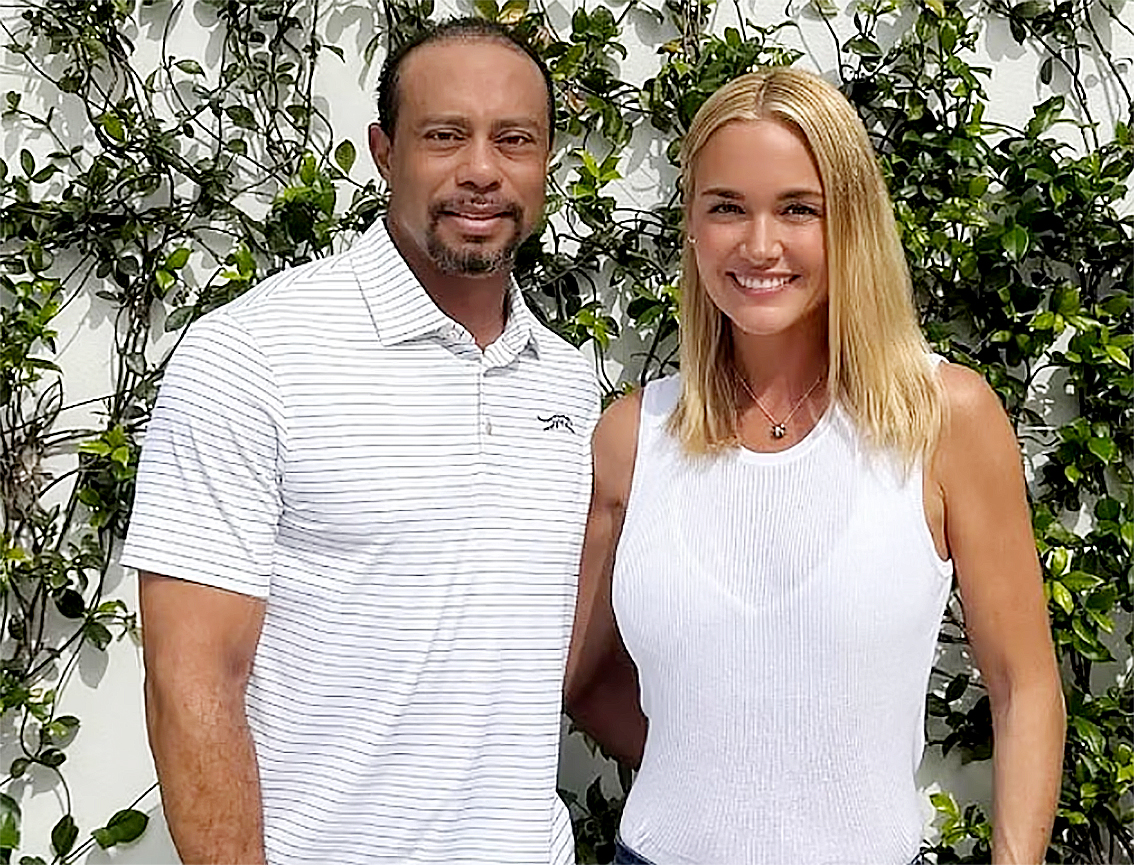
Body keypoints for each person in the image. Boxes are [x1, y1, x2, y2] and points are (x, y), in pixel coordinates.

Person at [122, 18, 599, 865]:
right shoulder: (252, 355)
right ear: (384, 152)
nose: (481, 170)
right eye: (444, 136)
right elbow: (190, 681)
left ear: (547, 160)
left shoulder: (566, 381)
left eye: (514, 139)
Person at [565, 66, 1065, 865]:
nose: (760, 244)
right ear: (691, 226)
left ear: (852, 222)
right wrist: (730, 778)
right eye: (727, 207)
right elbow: (582, 676)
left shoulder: (943, 418)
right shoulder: (634, 436)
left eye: (799, 208)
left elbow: (1023, 685)